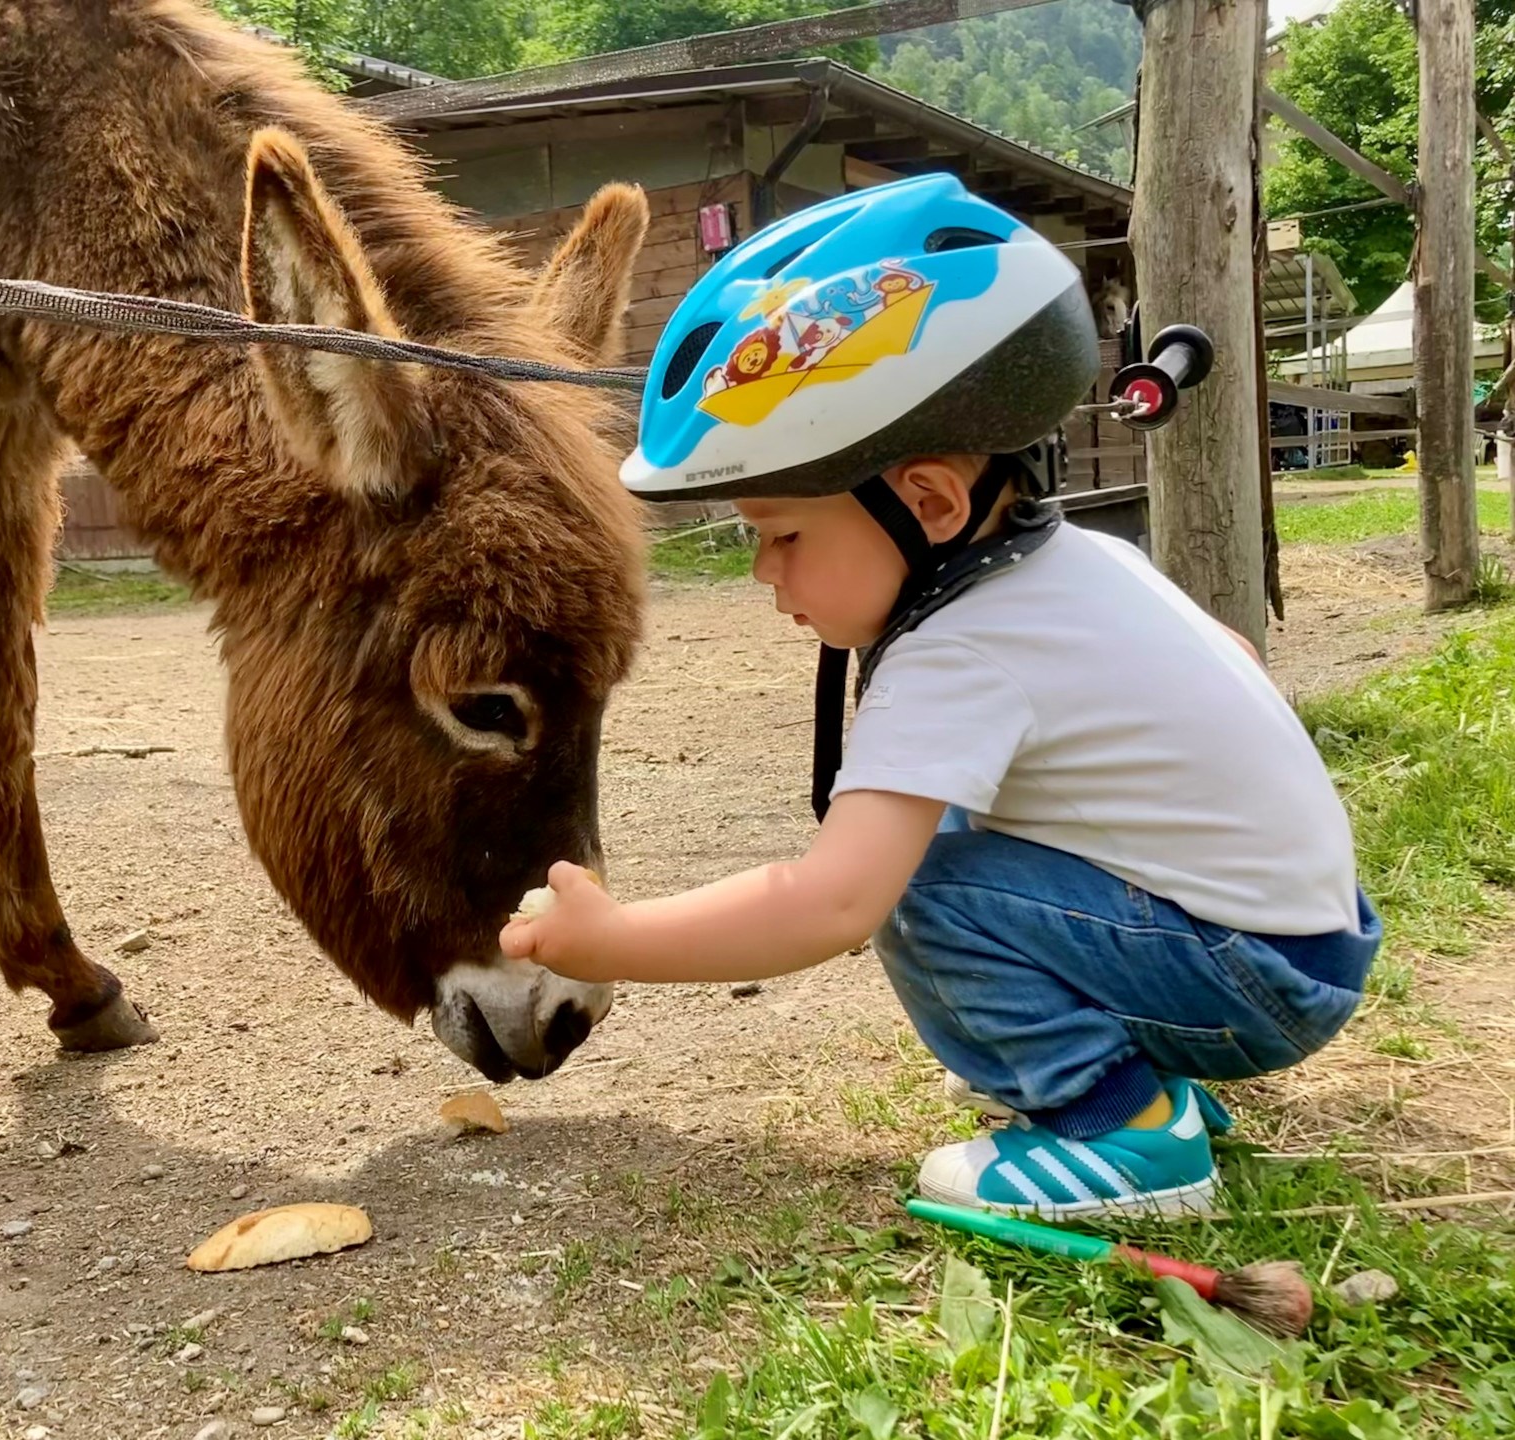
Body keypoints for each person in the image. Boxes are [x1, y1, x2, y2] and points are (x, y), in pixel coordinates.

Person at [500, 174, 1380, 1219]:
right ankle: (1129, 1063)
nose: (764, 571)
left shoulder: (957, 652)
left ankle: (1122, 1130)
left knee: (917, 885)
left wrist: (617, 941)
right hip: (1305, 942)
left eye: (782, 533)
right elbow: (1229, 655)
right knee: (949, 822)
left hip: (1250, 980)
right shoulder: (1084, 566)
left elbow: (832, 903)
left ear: (927, 501)